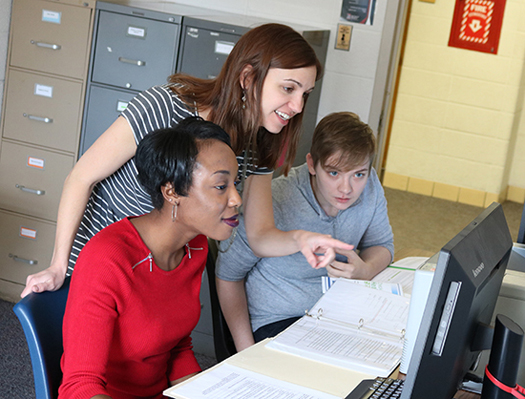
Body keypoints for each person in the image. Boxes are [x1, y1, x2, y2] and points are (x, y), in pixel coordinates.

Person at [21, 23, 352, 298]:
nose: (297, 107)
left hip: (157, 276)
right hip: (96, 269)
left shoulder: (258, 143)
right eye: (289, 89)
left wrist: (301, 238)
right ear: (248, 78)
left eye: (304, 94)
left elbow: (261, 233)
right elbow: (81, 178)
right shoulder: (165, 107)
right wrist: (58, 265)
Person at [58, 118, 242, 399]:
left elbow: (177, 345)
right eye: (221, 186)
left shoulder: (196, 247)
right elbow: (80, 386)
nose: (236, 199)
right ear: (172, 191)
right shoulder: (107, 259)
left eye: (235, 184)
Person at [216, 112, 394, 351]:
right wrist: (246, 352)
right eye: (333, 173)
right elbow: (228, 276)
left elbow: (382, 244)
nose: (346, 188)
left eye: (358, 175)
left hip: (341, 316)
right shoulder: (275, 200)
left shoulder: (370, 185)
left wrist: (367, 269)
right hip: (281, 323)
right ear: (311, 164)